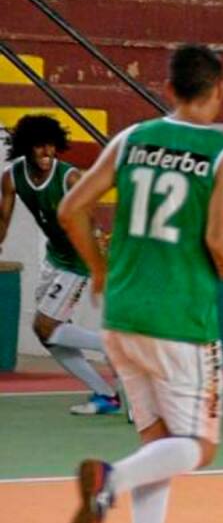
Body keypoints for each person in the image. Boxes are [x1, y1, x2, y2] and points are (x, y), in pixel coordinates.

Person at [59, 44, 223, 523]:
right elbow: (220, 239)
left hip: (122, 313)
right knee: (198, 445)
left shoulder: (131, 139)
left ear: (169, 89)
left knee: (158, 442)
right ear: (220, 89)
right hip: (181, 319)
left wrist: (100, 270)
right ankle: (110, 480)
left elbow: (71, 208)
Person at [0, 115, 121, 415]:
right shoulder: (12, 178)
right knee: (49, 336)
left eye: (51, 147)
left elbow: (90, 221)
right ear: (26, 148)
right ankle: (106, 395)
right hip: (55, 258)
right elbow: (3, 220)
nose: (47, 153)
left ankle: (116, 346)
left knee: (44, 326)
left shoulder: (69, 178)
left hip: (78, 259)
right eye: (39, 147)